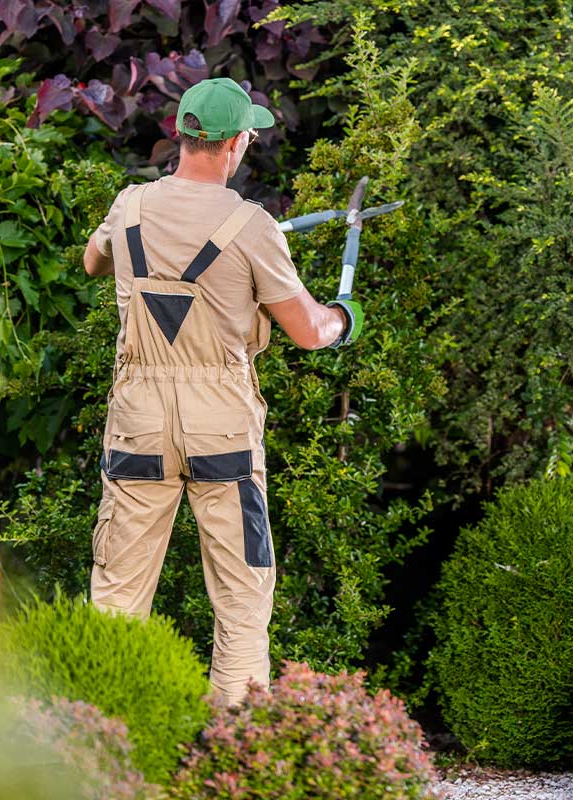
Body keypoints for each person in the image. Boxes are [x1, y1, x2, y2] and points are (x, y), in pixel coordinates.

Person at [81, 76, 364, 708]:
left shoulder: (129, 206)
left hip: (139, 420)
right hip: (222, 428)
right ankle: (235, 748)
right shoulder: (253, 226)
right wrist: (346, 317)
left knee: (117, 594)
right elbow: (310, 332)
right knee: (241, 595)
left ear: (180, 135)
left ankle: (97, 748)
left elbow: (93, 262)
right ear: (236, 144)